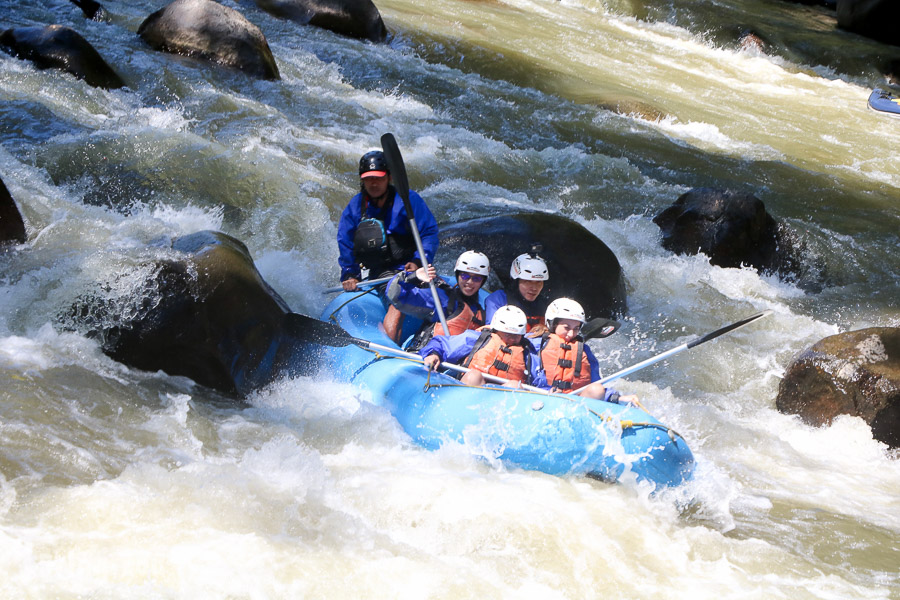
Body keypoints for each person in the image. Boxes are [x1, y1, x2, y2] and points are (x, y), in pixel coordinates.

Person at [336, 149, 439, 341]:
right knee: (400, 296)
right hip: (381, 272)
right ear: (362, 180)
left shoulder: (408, 200)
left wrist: (419, 260)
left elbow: (429, 233)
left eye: (378, 178)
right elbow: (345, 241)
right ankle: (390, 349)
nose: (373, 183)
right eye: (368, 179)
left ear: (389, 178)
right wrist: (350, 274)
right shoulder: (355, 207)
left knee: (442, 296)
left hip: (411, 267)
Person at [531, 298, 637, 404]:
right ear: (552, 324)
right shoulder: (535, 344)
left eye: (576, 328)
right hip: (541, 397)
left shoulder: (584, 350)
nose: (571, 334)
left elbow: (596, 381)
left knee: (597, 389)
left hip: (573, 401)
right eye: (566, 328)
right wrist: (547, 392)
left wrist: (617, 398)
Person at [386, 250, 490, 349]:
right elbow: (395, 295)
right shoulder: (442, 298)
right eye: (464, 276)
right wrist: (413, 277)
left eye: (477, 278)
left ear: (483, 281)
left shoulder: (481, 313)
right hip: (426, 357)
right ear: (458, 275)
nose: (470, 282)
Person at [419, 305, 536, 388]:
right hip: (474, 389)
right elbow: (442, 343)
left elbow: (540, 378)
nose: (511, 339)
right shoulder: (477, 339)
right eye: (507, 334)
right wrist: (434, 354)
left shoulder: (527, 352)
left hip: (501, 401)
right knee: (474, 376)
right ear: (496, 331)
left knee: (515, 385)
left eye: (516, 336)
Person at [484, 248, 550, 335]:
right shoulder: (497, 300)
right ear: (516, 281)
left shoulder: (545, 305)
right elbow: (492, 334)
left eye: (539, 282)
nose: (534, 288)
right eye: (528, 281)